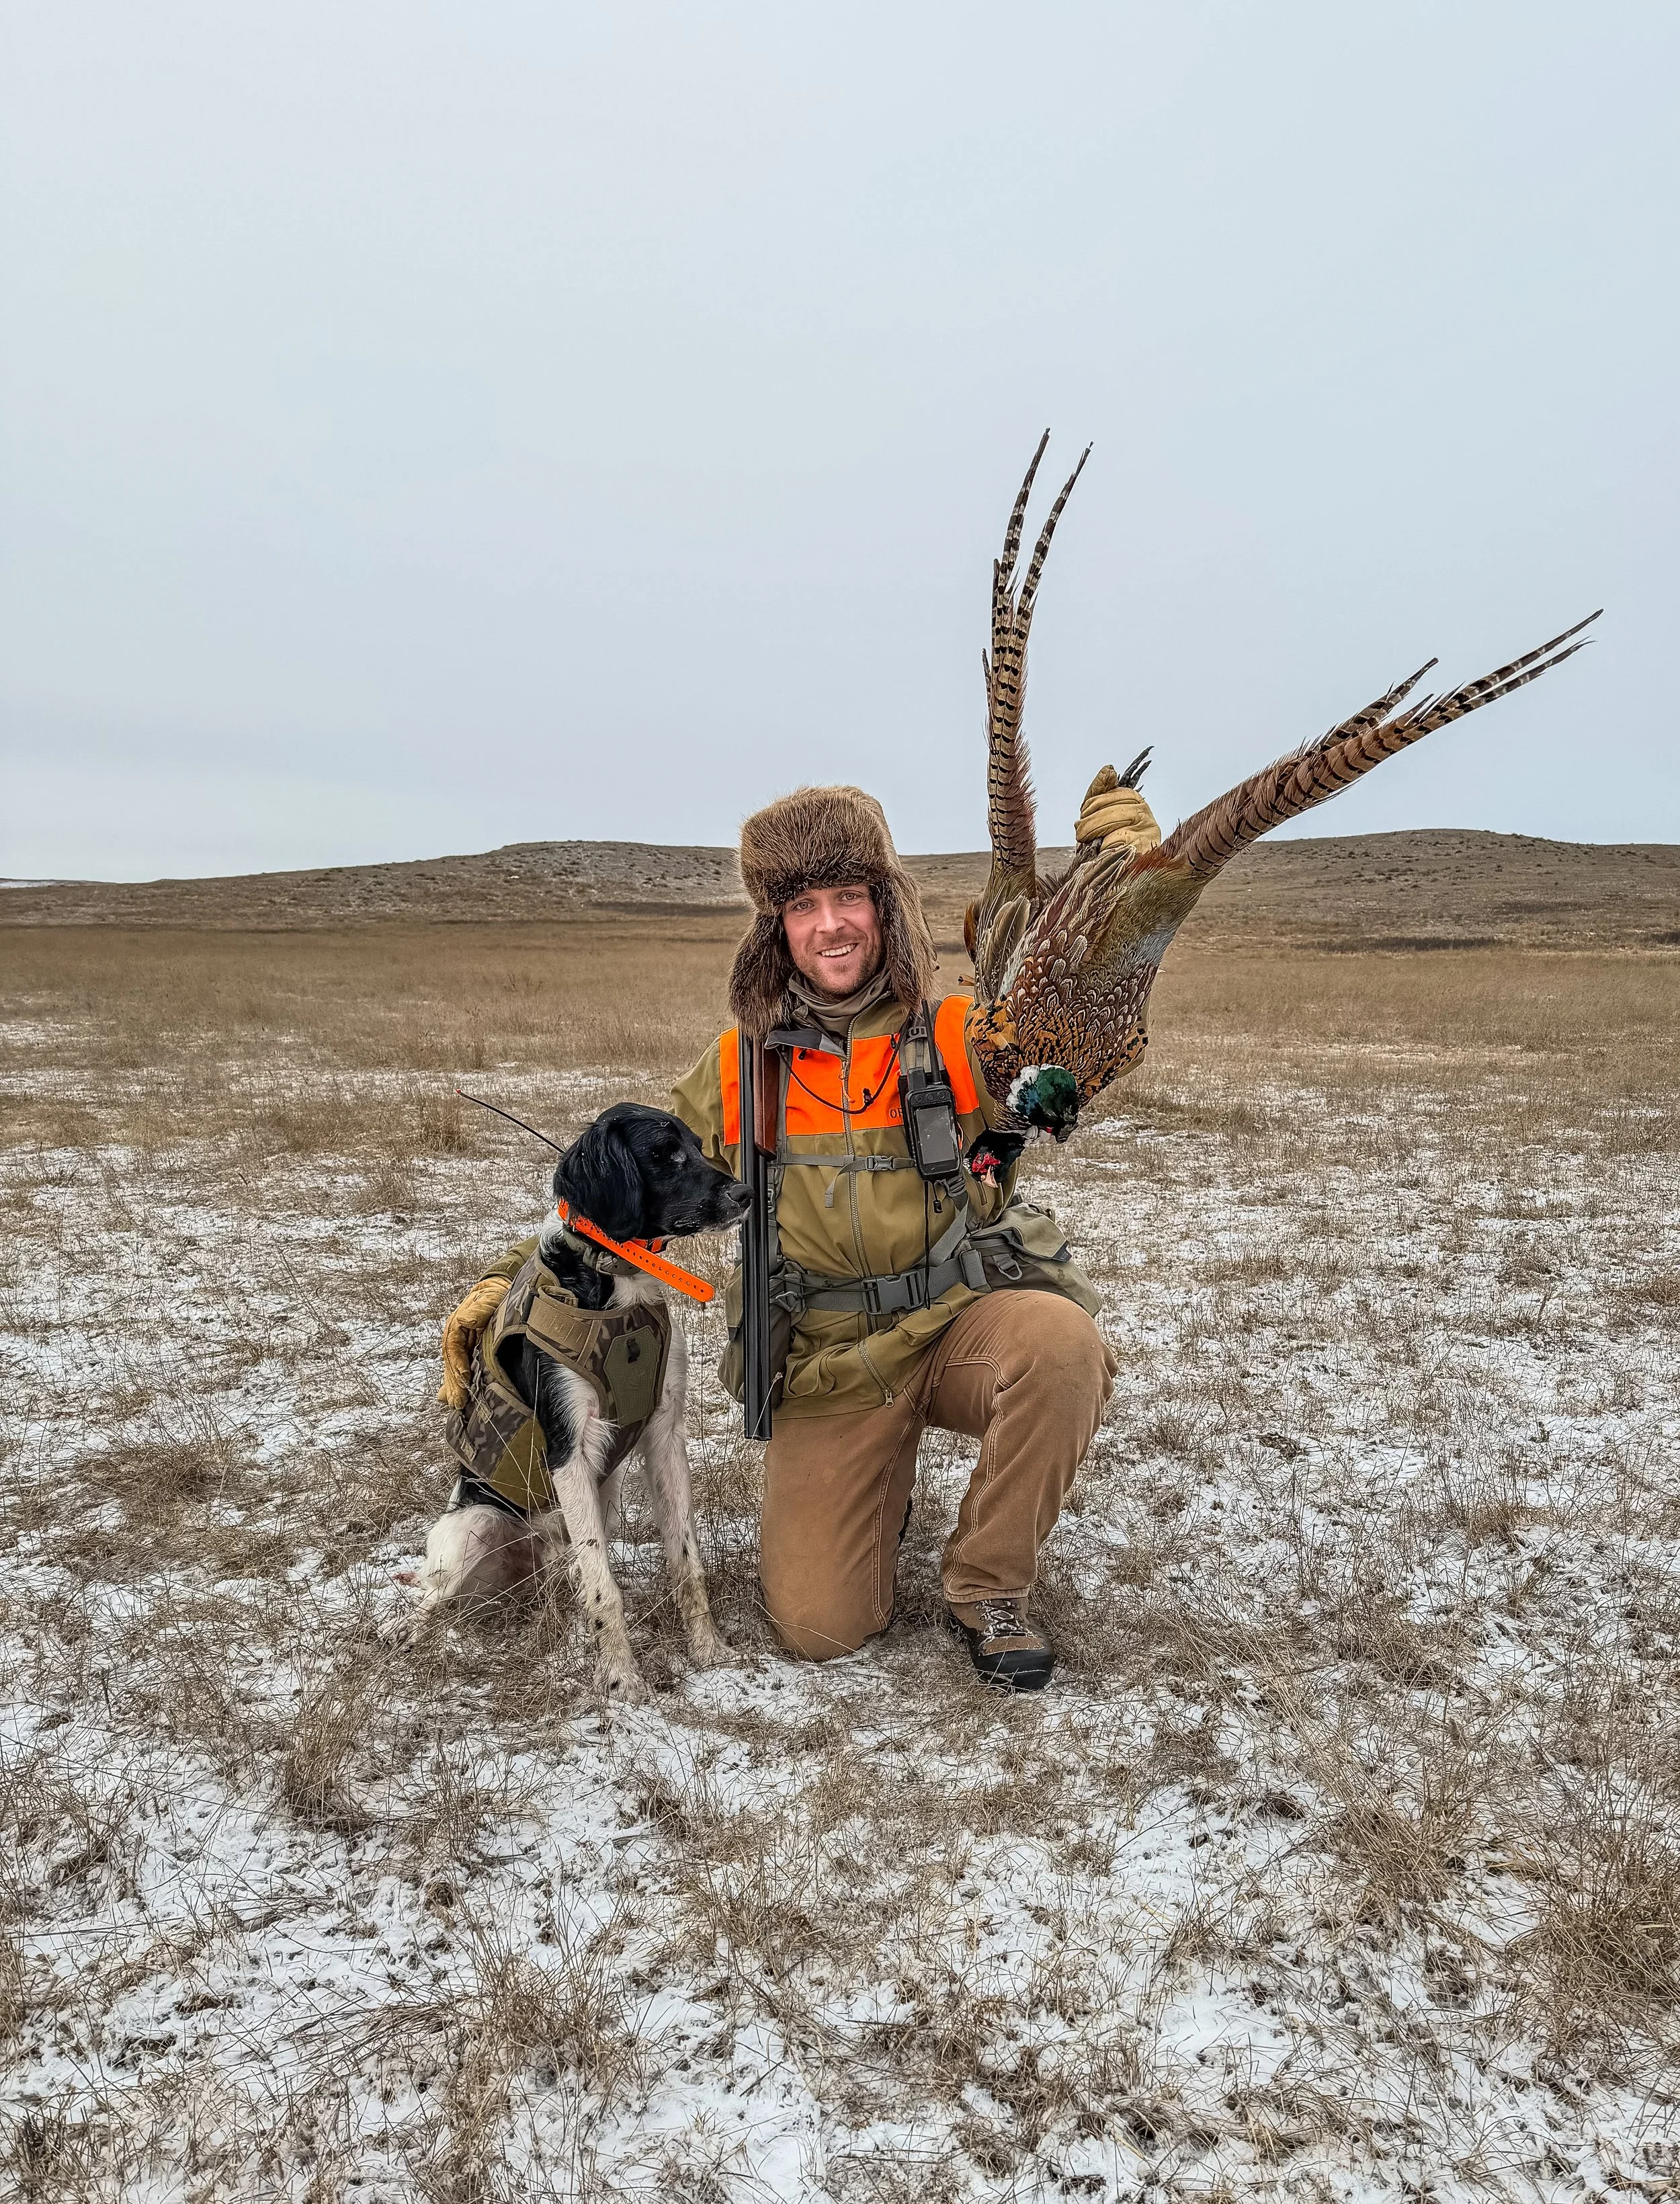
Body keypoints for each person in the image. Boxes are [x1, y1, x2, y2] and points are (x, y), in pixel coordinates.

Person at [440, 780, 1157, 1690]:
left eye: (848, 897)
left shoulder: (952, 1032)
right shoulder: (738, 1063)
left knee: (1063, 1346)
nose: (830, 926)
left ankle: (988, 1588)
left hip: (951, 1321)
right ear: (776, 929)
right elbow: (631, 1192)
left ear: (884, 909)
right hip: (826, 1361)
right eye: (803, 905)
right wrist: (518, 1277)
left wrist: (1118, 892)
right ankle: (875, 1492)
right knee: (819, 1627)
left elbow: (1048, 1056)